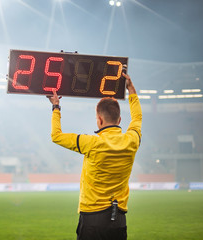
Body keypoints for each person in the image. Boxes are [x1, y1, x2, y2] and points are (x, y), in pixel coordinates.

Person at [48, 72, 142, 240]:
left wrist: (56, 107)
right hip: (119, 220)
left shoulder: (90, 143)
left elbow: (56, 136)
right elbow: (137, 118)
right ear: (119, 120)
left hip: (92, 219)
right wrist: (132, 92)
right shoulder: (132, 140)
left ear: (99, 120)